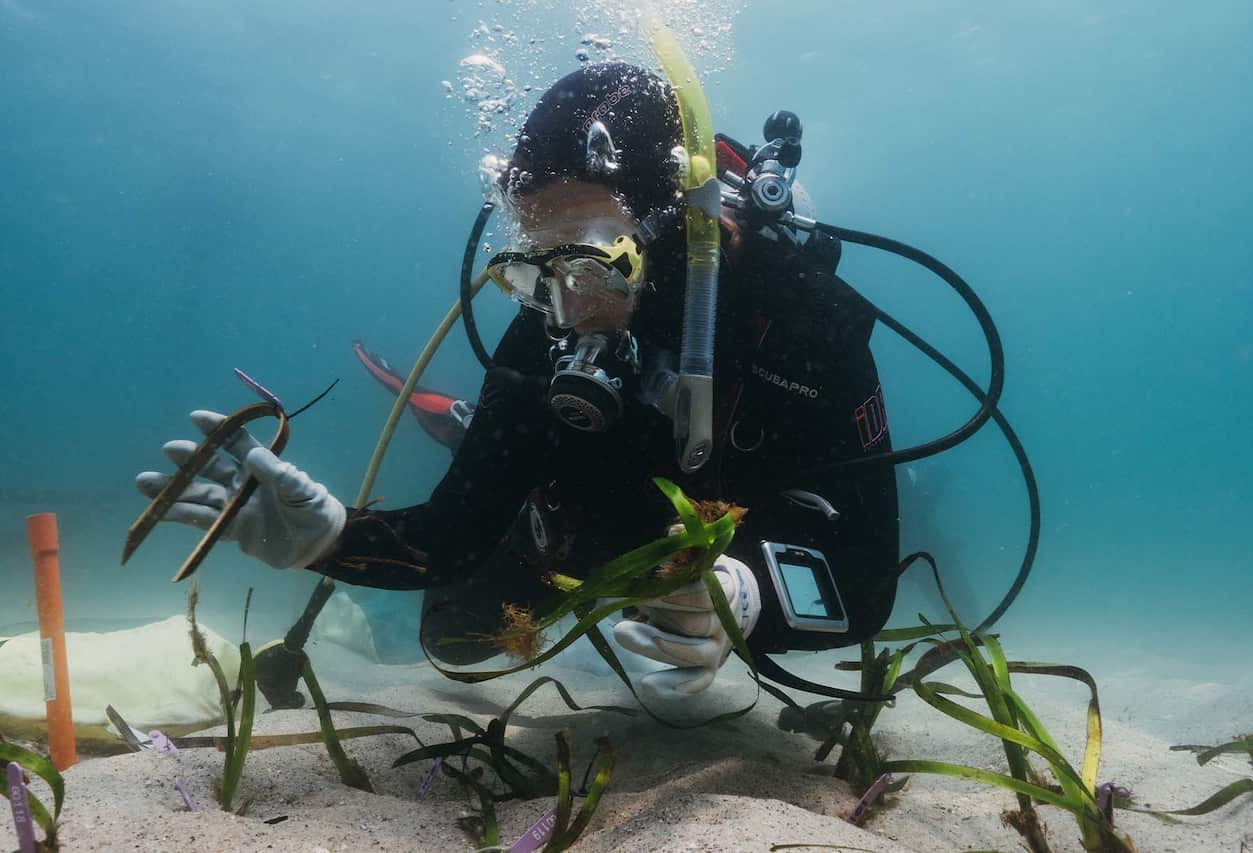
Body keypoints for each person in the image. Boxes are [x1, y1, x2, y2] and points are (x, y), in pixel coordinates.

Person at [135, 62, 901, 704]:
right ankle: (481, 432)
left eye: (594, 263)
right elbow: (451, 535)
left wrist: (750, 594)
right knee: (458, 639)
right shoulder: (547, 331)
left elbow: (867, 581)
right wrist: (333, 539)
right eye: (537, 270)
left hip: (750, 528)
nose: (565, 308)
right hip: (585, 514)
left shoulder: (808, 328)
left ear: (675, 231)